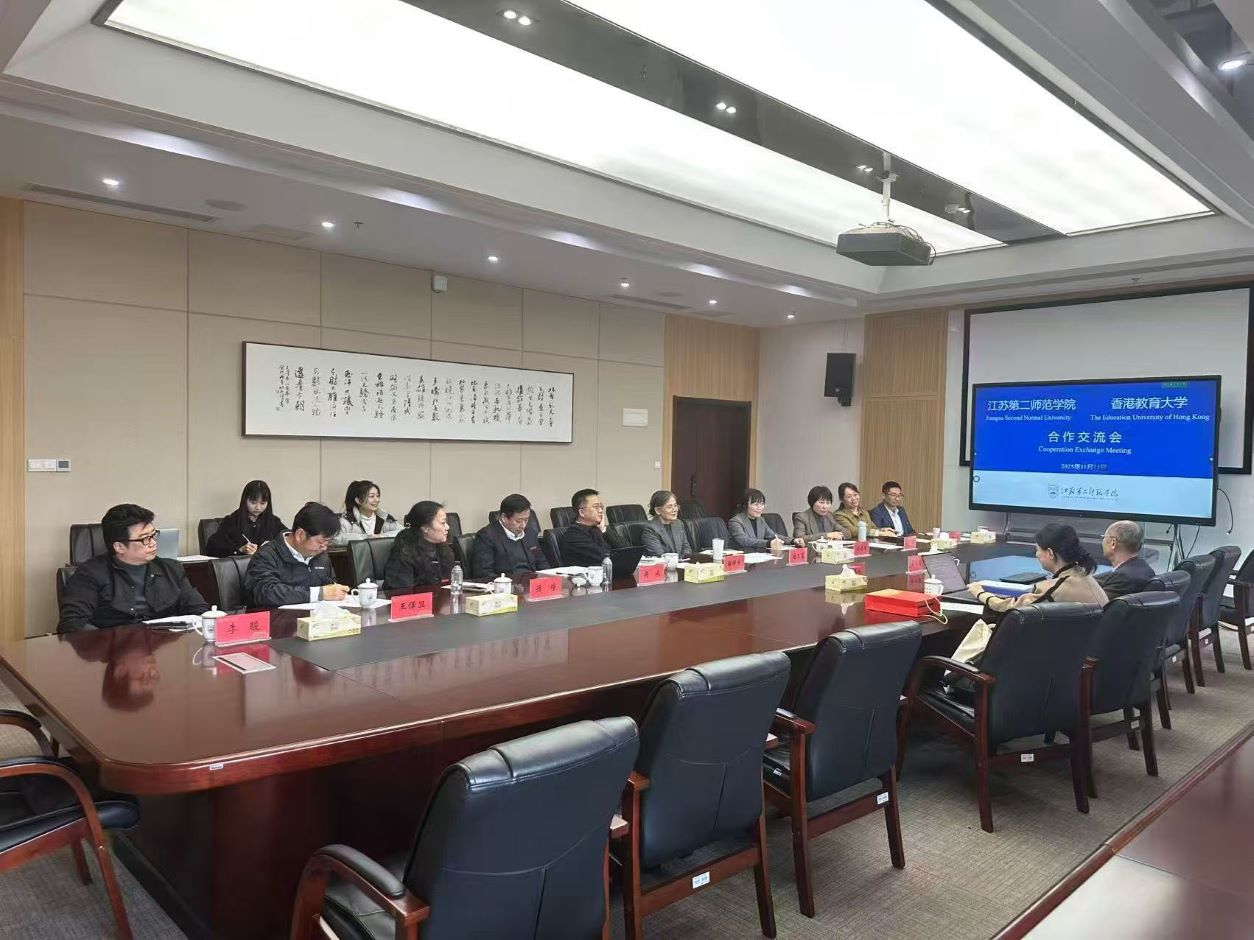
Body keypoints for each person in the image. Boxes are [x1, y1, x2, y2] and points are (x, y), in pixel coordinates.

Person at [954, 522, 1108, 665]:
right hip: (1081, 663)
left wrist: (979, 592)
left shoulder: (1054, 588)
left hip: (1052, 662)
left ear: (1050, 553)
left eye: (1038, 550)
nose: (1036, 555)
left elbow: (1010, 608)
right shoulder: (1087, 578)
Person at [58, 504, 208, 633]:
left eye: (154, 535)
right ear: (119, 547)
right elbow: (73, 623)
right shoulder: (89, 575)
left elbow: (199, 610)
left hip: (165, 647)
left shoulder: (171, 569)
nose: (153, 543)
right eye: (145, 539)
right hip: (113, 652)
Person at [244, 502, 348, 607]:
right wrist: (318, 594)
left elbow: (329, 583)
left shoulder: (320, 555)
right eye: (321, 542)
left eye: (328, 543)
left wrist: (336, 591)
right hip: (278, 616)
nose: (324, 548)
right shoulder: (267, 555)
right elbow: (266, 593)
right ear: (300, 535)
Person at [470, 494, 546, 579]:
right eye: (518, 521)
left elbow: (542, 564)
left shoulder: (530, 533)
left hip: (533, 583)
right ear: (504, 518)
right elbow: (483, 573)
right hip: (506, 584)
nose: (523, 525)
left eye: (526, 520)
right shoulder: (487, 536)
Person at [385, 501, 456, 590]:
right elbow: (401, 590)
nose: (447, 527)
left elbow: (448, 584)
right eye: (443, 523)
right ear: (425, 527)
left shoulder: (445, 550)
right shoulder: (404, 552)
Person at [206, 480, 286, 557]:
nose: (258, 507)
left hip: (268, 564)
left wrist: (273, 547)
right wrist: (239, 550)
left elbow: (288, 537)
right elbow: (213, 546)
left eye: (262, 503)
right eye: (253, 503)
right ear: (245, 500)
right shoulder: (232, 521)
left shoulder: (273, 521)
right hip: (242, 564)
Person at [1095, 520, 1155, 601]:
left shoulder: (1123, 577)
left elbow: (1096, 603)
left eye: (1104, 537)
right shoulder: (1143, 568)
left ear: (1113, 543)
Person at [729, 488, 804, 552]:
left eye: (762, 504)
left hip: (758, 556)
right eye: (756, 504)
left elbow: (773, 536)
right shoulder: (736, 521)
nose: (760, 507)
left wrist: (793, 540)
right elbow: (744, 541)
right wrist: (768, 543)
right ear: (745, 506)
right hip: (742, 556)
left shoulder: (760, 520)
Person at [333, 480, 401, 545]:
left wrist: (381, 536)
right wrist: (366, 537)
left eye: (377, 496)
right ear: (358, 501)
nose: (377, 500)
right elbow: (336, 539)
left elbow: (403, 532)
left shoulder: (384, 517)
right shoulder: (347, 520)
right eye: (372, 496)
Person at [559, 488, 613, 566]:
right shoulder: (573, 535)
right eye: (596, 507)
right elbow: (605, 558)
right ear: (582, 512)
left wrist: (603, 530)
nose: (600, 510)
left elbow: (624, 550)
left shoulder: (597, 528)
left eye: (601, 507)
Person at [641, 490, 693, 557]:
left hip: (682, 562)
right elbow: (659, 555)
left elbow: (687, 548)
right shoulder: (651, 529)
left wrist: (685, 559)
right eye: (669, 507)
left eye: (675, 505)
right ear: (658, 510)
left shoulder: (679, 524)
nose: (674, 509)